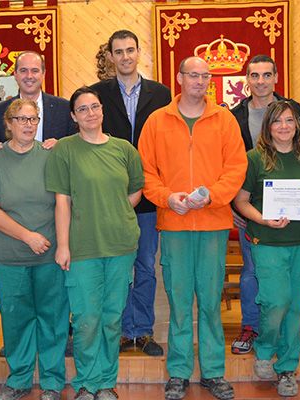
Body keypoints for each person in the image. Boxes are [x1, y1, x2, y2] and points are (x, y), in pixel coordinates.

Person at [138, 56, 247, 400]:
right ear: (180, 78)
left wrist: (211, 197)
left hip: (213, 223)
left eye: (205, 76)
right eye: (193, 75)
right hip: (174, 224)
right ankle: (179, 371)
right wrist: (168, 198)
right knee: (180, 301)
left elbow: (236, 168)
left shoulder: (224, 120)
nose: (199, 81)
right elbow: (145, 172)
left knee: (211, 301)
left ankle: (214, 371)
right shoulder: (158, 121)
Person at [45, 87, 144, 400]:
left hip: (120, 245)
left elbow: (134, 192)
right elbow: (62, 202)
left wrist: (113, 212)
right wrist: (63, 245)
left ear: (102, 110)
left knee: (112, 318)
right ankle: (86, 383)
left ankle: (105, 383)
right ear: (74, 116)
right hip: (82, 248)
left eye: (95, 107)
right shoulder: (65, 150)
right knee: (87, 320)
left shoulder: (124, 149)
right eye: (83, 109)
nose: (91, 113)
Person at [232, 101, 300, 397]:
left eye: (289, 121)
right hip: (268, 241)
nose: (284, 126)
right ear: (268, 127)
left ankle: (287, 368)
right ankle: (264, 349)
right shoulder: (254, 158)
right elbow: (241, 201)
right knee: (276, 302)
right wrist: (263, 219)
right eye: (277, 121)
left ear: (297, 126)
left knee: (297, 306)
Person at [229, 55, 300, 355]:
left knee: (294, 278)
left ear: (276, 77)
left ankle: (291, 330)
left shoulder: (294, 111)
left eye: (267, 75)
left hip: (295, 215)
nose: (261, 81)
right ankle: (251, 327)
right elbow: (228, 165)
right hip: (251, 212)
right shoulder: (234, 116)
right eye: (254, 76)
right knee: (252, 272)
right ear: (247, 80)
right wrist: (235, 206)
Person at [0, 99, 68, 400]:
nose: (28, 125)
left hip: (49, 254)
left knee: (53, 318)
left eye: (33, 119)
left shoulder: (49, 156)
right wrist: (27, 236)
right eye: (22, 119)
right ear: (9, 123)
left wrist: (58, 244)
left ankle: (53, 381)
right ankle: (19, 378)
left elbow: (62, 202)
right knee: (16, 319)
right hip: (8, 256)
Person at [90, 29, 171, 357]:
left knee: (146, 266)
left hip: (150, 194)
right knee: (118, 267)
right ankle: (123, 329)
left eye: (130, 50)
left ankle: (144, 330)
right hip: (111, 196)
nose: (125, 56)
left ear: (139, 53)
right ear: (110, 56)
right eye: (118, 51)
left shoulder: (162, 94)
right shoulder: (97, 94)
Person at [0, 51, 77, 153]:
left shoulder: (64, 108)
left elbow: (76, 145)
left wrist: (61, 146)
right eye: (23, 70)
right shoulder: (0, 111)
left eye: (35, 71)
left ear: (43, 74)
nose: (29, 76)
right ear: (15, 74)